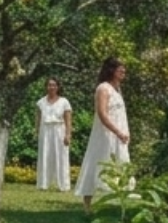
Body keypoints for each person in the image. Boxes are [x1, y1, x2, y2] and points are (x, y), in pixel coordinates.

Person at [74, 58, 130, 210]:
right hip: (106, 135)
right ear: (112, 71)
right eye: (120, 70)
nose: (123, 73)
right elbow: (102, 114)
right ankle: (87, 205)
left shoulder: (117, 89)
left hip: (119, 136)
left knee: (120, 166)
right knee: (96, 163)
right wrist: (117, 131)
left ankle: (121, 206)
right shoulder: (103, 89)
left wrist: (124, 132)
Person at [34, 78, 72, 192]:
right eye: (49, 85)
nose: (52, 87)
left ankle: (63, 185)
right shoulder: (40, 102)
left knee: (61, 156)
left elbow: (68, 120)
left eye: (54, 85)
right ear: (46, 87)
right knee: (45, 155)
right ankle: (43, 184)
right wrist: (37, 132)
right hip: (45, 130)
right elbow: (38, 119)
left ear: (58, 87)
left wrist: (68, 134)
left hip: (59, 129)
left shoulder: (64, 102)